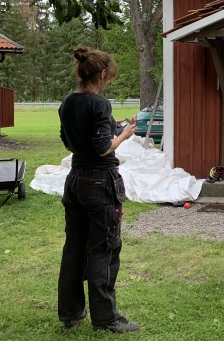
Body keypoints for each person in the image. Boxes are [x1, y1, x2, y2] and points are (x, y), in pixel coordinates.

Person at [57, 47, 140, 333]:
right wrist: (123, 134)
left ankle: (71, 313)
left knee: (74, 248)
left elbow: (68, 142)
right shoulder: (99, 104)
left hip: (75, 180)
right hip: (100, 184)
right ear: (102, 74)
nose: (108, 83)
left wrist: (110, 127)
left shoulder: (67, 102)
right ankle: (106, 319)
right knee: (104, 248)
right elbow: (103, 148)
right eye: (109, 78)